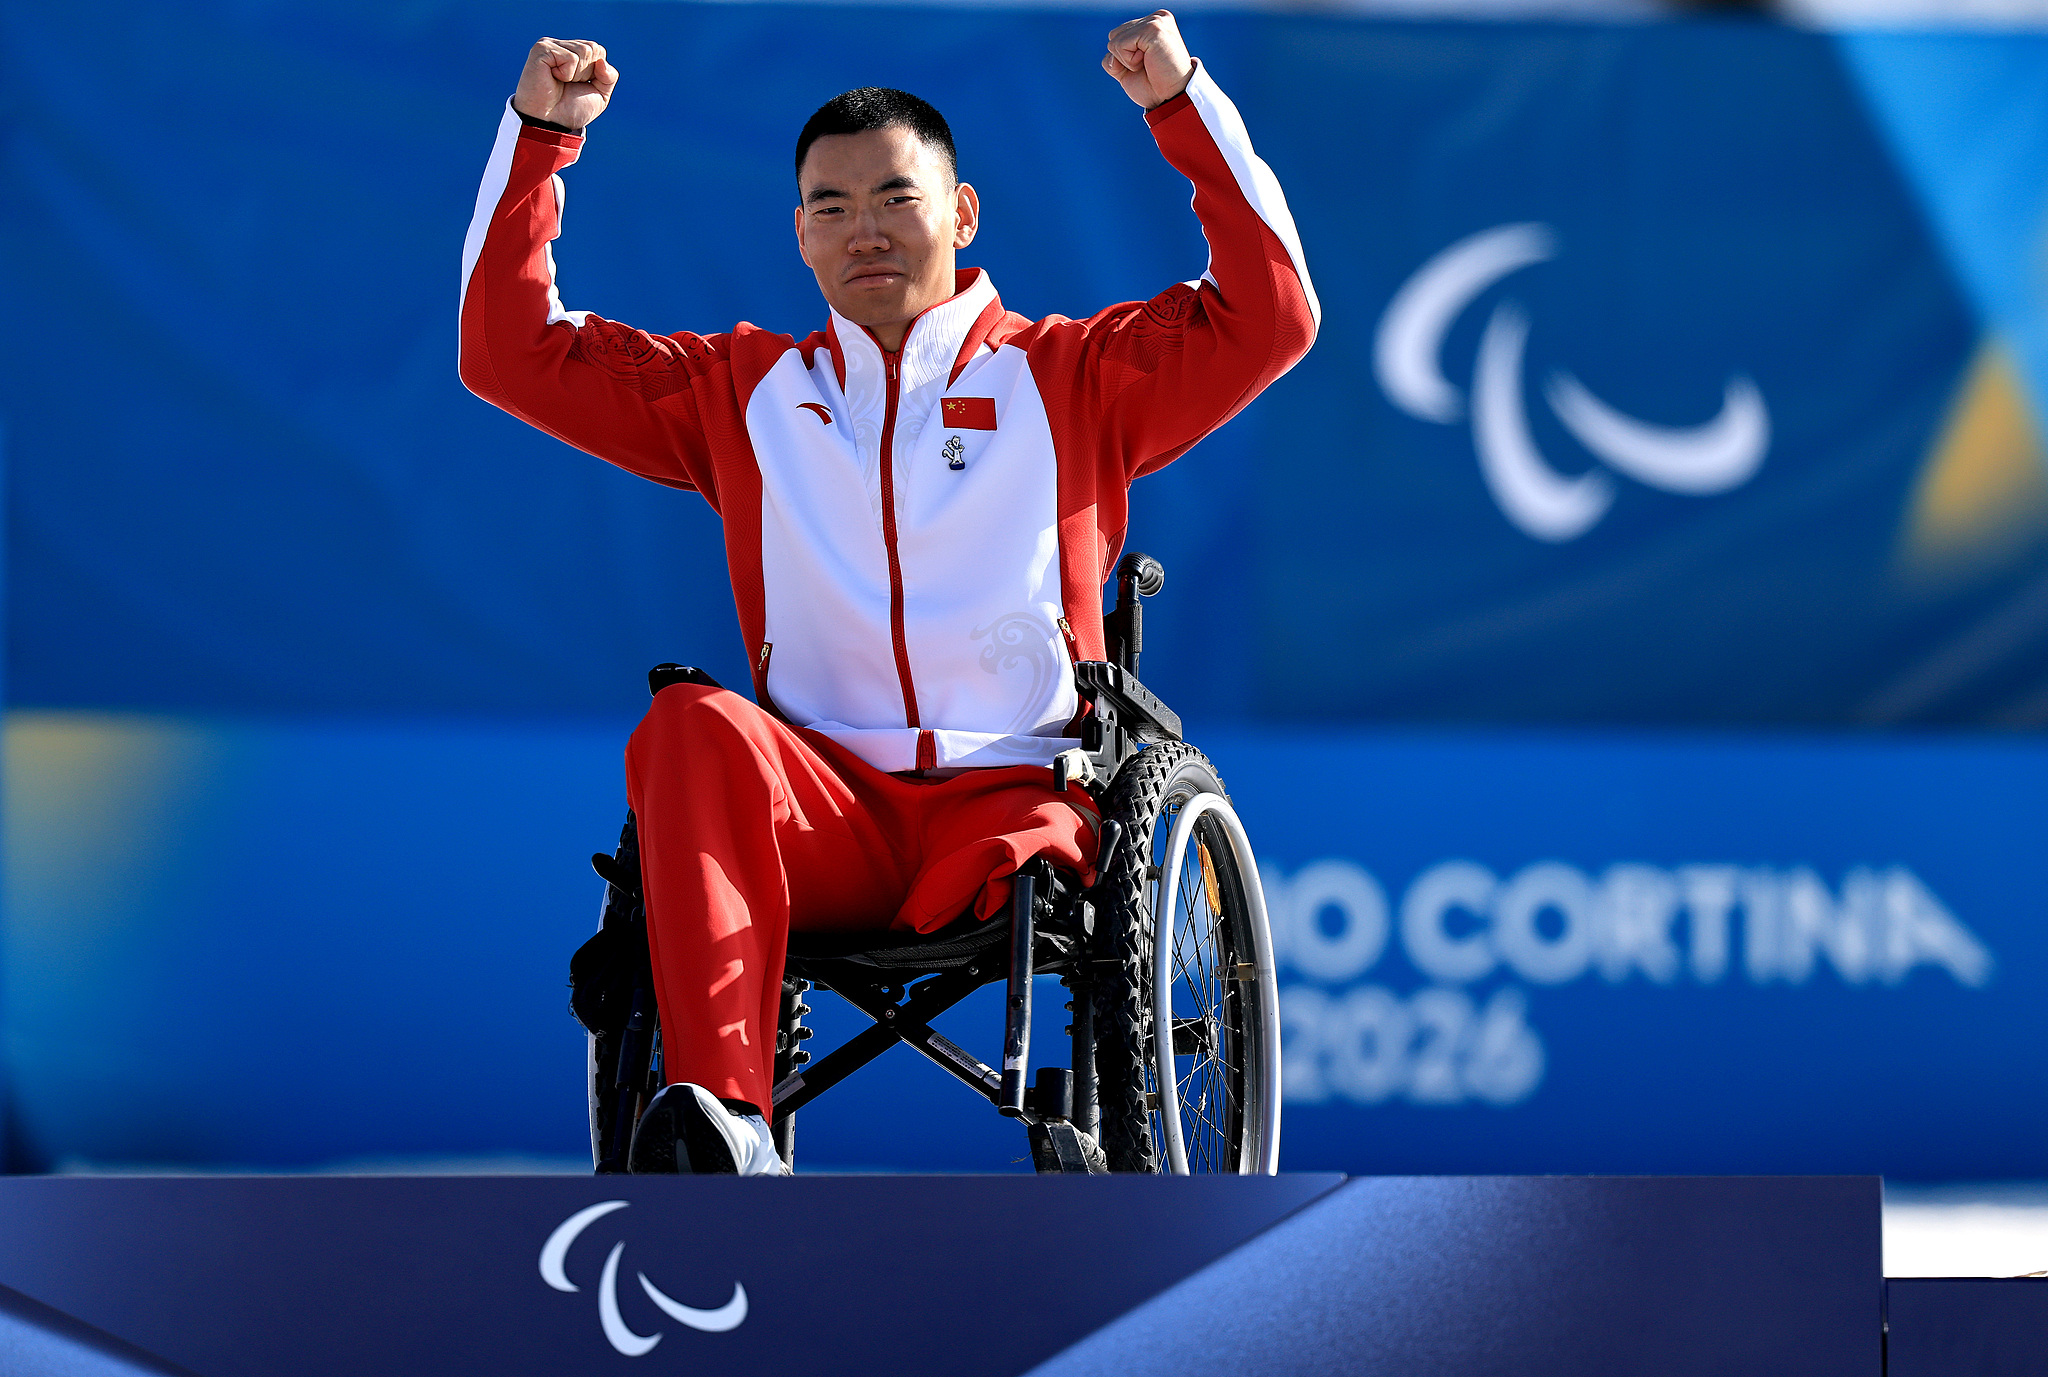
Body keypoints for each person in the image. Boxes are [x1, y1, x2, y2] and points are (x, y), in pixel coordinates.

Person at [459, 12, 1317, 1174]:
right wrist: (538, 138)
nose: (863, 230)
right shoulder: (740, 393)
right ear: (799, 239)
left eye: (895, 198)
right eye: (829, 207)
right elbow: (507, 354)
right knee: (690, 727)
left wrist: (1184, 108)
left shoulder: (1070, 376)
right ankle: (728, 1128)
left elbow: (1269, 315)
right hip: (830, 819)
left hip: (1014, 813)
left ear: (960, 215)